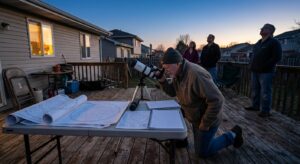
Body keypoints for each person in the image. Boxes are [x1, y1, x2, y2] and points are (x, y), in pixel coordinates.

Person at [157, 48, 243, 157]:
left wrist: (205, 123)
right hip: (194, 113)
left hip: (206, 118)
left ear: (178, 63)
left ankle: (233, 134)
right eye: (164, 68)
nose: (166, 70)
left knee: (202, 152)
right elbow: (173, 92)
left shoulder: (195, 74)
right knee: (171, 112)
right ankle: (181, 139)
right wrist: (162, 80)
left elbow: (217, 100)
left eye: (167, 67)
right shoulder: (178, 73)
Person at [245, 24, 282, 117]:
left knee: (265, 91)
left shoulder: (274, 42)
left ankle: (265, 111)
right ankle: (255, 106)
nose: (261, 29)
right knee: (255, 90)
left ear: (270, 31)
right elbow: (253, 56)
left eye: (264, 28)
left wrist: (265, 66)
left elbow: (277, 57)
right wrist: (251, 65)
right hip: (255, 70)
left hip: (266, 72)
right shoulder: (258, 43)